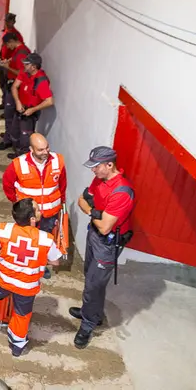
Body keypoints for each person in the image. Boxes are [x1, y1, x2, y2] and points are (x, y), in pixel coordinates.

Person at [0, 199, 61, 356]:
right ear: (32, 219)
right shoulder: (45, 239)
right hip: (26, 287)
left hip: (2, 281)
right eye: (38, 210)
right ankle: (17, 346)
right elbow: (55, 261)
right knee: (21, 316)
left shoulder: (4, 230)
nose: (41, 211)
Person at [72, 146, 135, 349]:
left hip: (107, 245)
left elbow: (105, 226)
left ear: (109, 165)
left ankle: (88, 324)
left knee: (94, 285)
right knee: (89, 276)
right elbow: (81, 199)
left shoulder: (122, 192)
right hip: (94, 236)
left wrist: (91, 210)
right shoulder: (100, 179)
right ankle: (92, 312)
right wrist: (96, 213)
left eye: (96, 167)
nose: (93, 171)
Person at [2, 133, 67, 278]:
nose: (46, 152)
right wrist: (16, 203)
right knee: (27, 241)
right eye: (41, 150)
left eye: (47, 148)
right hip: (29, 214)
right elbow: (7, 184)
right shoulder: (18, 164)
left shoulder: (58, 160)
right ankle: (26, 265)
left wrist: (62, 201)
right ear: (31, 149)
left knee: (44, 241)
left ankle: (41, 266)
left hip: (50, 213)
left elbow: (62, 184)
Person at [8, 53, 53, 158]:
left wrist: (33, 109)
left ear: (33, 67)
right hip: (20, 108)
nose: (24, 66)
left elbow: (49, 101)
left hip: (29, 113)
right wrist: (18, 102)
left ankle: (23, 157)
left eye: (27, 64)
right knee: (14, 132)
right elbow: (14, 87)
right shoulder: (24, 73)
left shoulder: (41, 81)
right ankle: (17, 152)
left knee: (25, 138)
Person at [0, 32, 31, 152]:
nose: (8, 47)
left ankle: (8, 140)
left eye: (7, 45)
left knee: (9, 114)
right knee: (10, 115)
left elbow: (21, 74)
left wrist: (7, 68)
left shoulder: (21, 53)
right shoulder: (20, 50)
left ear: (11, 41)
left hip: (16, 87)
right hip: (14, 86)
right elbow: (14, 60)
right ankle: (9, 135)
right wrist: (8, 61)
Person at [0, 13, 25, 111]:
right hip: (3, 61)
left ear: (13, 22)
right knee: (2, 83)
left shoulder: (16, 34)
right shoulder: (5, 31)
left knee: (7, 85)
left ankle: (7, 107)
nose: (7, 23)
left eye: (10, 21)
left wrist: (8, 61)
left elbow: (19, 48)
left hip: (10, 64)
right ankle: (4, 102)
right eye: (6, 21)